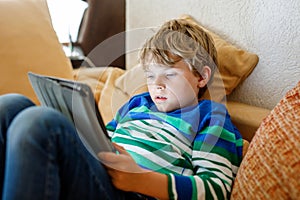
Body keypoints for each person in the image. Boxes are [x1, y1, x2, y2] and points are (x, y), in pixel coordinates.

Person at [0, 19, 243, 200]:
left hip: (135, 193)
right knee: (11, 105)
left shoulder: (211, 117)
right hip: (100, 178)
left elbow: (216, 189)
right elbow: (103, 140)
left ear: (201, 76)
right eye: (150, 75)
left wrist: (142, 180)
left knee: (39, 123)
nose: (157, 85)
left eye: (169, 75)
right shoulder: (136, 104)